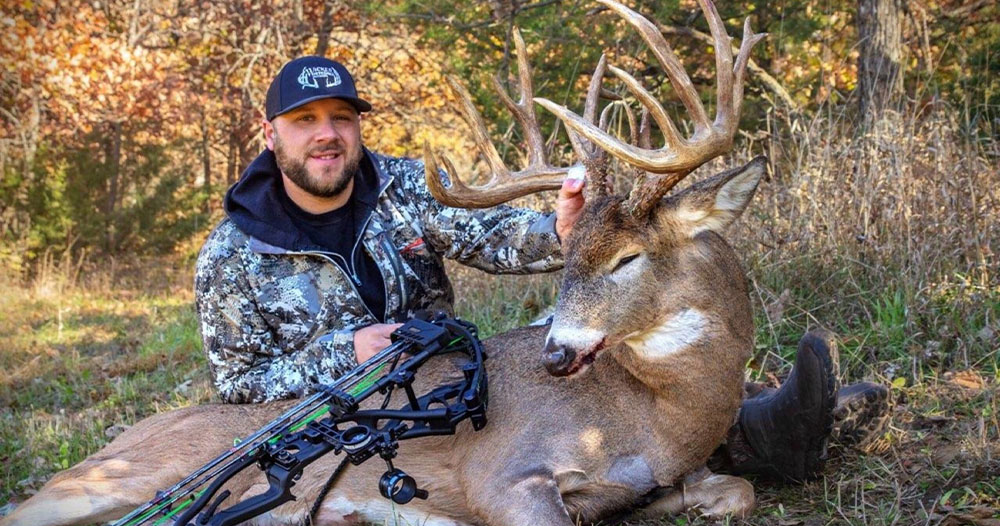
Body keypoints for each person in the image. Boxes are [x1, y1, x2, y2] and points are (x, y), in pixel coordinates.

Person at [195, 56, 887, 484]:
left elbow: (493, 235)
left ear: (356, 126)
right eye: (305, 120)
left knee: (591, 351)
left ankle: (756, 414)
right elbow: (238, 387)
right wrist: (345, 353)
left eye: (341, 117)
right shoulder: (232, 254)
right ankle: (756, 436)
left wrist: (560, 231)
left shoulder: (402, 189)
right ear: (271, 134)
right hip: (343, 415)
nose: (327, 135)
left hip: (450, 384)